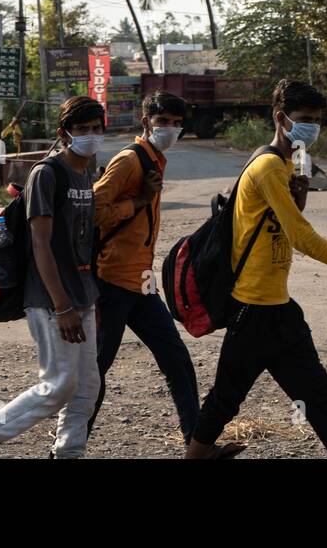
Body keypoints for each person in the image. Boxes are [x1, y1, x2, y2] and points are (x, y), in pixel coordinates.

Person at [185, 79, 327, 459]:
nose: (311, 127)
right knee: (226, 398)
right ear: (281, 118)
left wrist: (297, 201)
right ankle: (196, 456)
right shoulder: (268, 165)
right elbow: (300, 237)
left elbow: (276, 228)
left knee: (318, 398)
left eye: (317, 120)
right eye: (303, 119)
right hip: (252, 308)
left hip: (279, 308)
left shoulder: (283, 162)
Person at [0, 96, 105, 458]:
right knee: (58, 386)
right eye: (82, 129)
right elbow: (41, 244)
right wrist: (62, 305)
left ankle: (69, 453)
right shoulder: (47, 174)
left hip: (82, 294)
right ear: (64, 133)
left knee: (87, 386)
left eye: (96, 128)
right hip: (51, 298)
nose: (91, 135)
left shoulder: (85, 173)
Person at [87, 90, 209, 451]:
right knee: (95, 374)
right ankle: (65, 450)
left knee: (178, 363)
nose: (170, 129)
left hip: (141, 282)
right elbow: (91, 211)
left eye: (176, 123)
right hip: (111, 281)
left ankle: (196, 446)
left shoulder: (156, 159)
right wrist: (137, 201)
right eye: (162, 123)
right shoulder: (130, 160)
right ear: (146, 123)